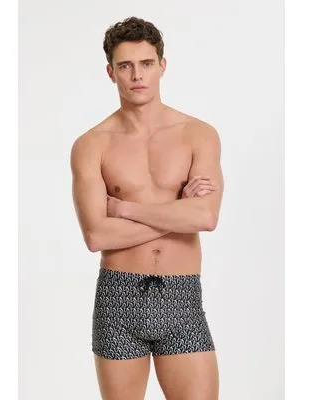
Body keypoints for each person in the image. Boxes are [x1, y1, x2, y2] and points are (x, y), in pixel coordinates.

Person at [70, 16, 224, 400]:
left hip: (182, 299)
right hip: (118, 301)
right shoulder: (92, 145)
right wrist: (178, 210)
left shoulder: (198, 134)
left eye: (146, 63)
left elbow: (205, 217)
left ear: (162, 66)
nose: (137, 75)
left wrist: (124, 209)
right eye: (125, 65)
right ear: (111, 72)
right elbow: (96, 236)